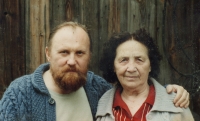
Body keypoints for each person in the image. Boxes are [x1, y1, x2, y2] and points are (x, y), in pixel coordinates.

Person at [0, 22, 190, 121]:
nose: (72, 61)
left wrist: (169, 92)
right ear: (48, 53)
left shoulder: (97, 89)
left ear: (89, 56)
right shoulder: (19, 94)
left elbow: (134, 90)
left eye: (80, 53)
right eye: (64, 52)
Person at [96, 29, 194, 121]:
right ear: (113, 66)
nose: (131, 69)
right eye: (123, 60)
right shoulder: (101, 105)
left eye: (139, 60)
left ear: (150, 65)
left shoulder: (176, 103)